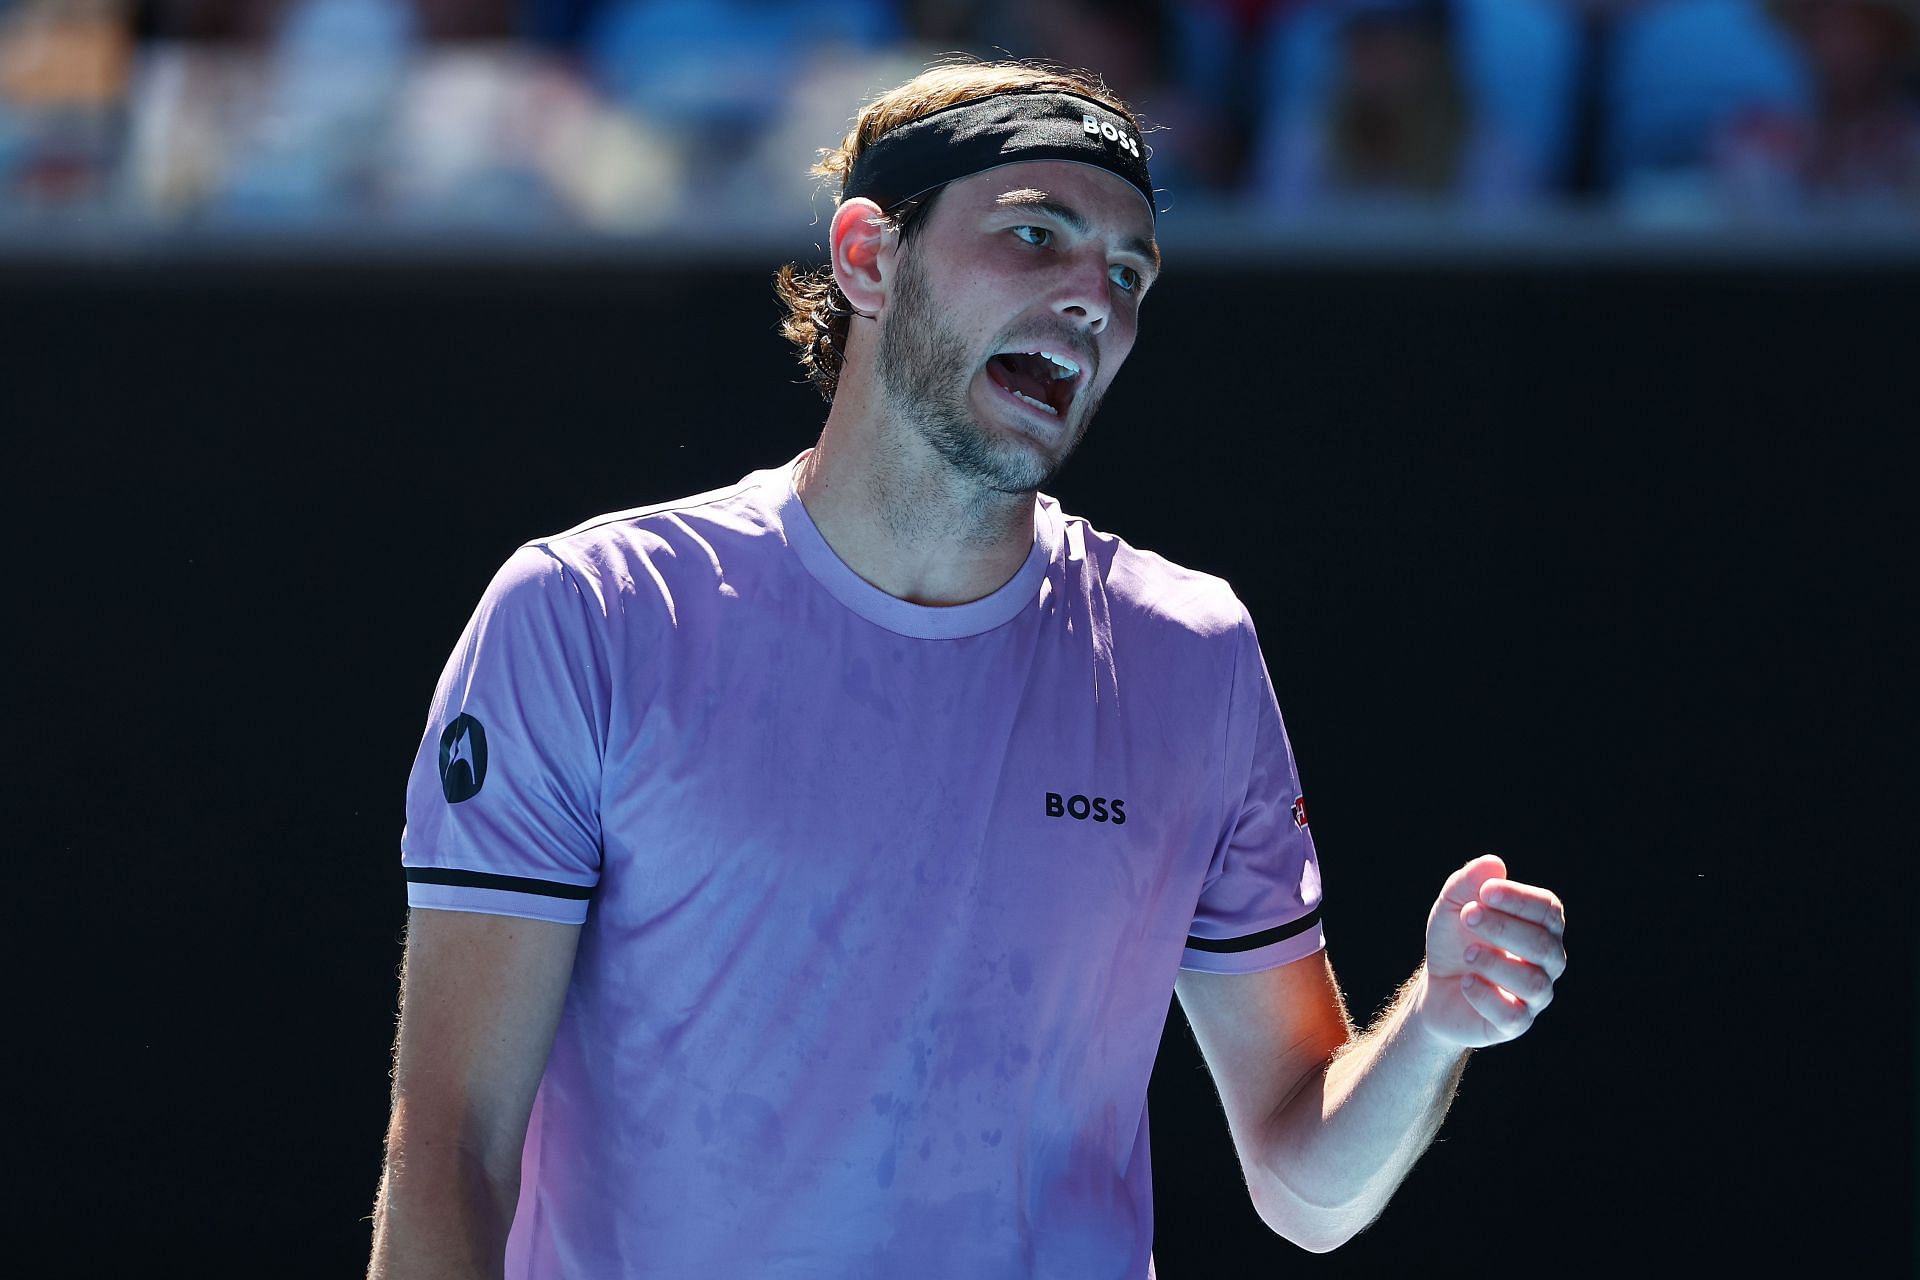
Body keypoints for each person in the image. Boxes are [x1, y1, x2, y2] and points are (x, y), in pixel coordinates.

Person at [366, 58, 1567, 1279]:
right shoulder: (587, 616)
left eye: (1128, 271)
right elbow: (451, 1146)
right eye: (1035, 234)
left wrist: (1434, 1022)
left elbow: (1307, 1182)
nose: (1093, 296)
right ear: (869, 258)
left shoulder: (1192, 655)